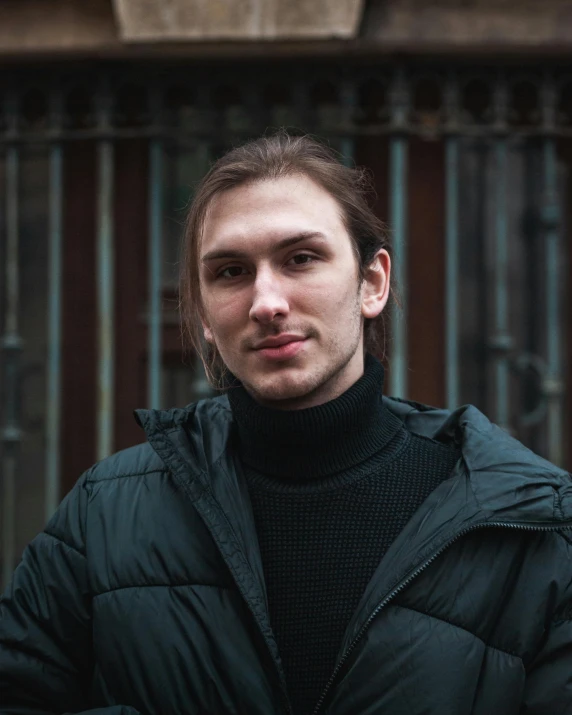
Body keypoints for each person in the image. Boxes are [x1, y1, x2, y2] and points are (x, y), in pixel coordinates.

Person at [1, 132, 571, 715]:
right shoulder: (103, 516)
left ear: (372, 282)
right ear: (200, 314)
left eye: (301, 258)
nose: (266, 302)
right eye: (229, 271)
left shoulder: (525, 521)